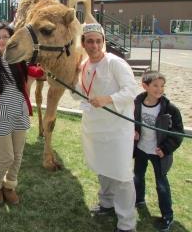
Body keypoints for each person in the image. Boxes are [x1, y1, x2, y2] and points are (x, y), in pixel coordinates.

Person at [74, 23, 138, 232]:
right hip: (94, 128)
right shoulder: (83, 64)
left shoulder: (115, 63)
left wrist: (107, 99)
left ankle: (127, 224)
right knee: (103, 169)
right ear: (83, 43)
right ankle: (106, 204)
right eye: (89, 41)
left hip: (117, 129)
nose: (94, 45)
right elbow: (77, 93)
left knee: (121, 174)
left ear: (103, 42)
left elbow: (131, 91)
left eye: (98, 41)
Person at [0, 23, 43, 206]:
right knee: (7, 156)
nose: (2, 40)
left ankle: (9, 186)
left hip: (19, 111)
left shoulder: (17, 57)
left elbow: (34, 71)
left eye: (6, 36)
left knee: (18, 155)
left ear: (11, 39)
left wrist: (45, 62)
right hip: (0, 114)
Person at [134, 71, 184, 232]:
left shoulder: (170, 109)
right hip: (141, 149)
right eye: (155, 85)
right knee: (138, 177)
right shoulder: (136, 104)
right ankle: (139, 200)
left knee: (161, 185)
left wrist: (165, 149)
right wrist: (133, 132)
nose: (159, 89)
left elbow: (178, 133)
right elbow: (130, 122)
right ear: (145, 85)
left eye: (162, 86)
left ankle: (167, 217)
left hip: (159, 154)